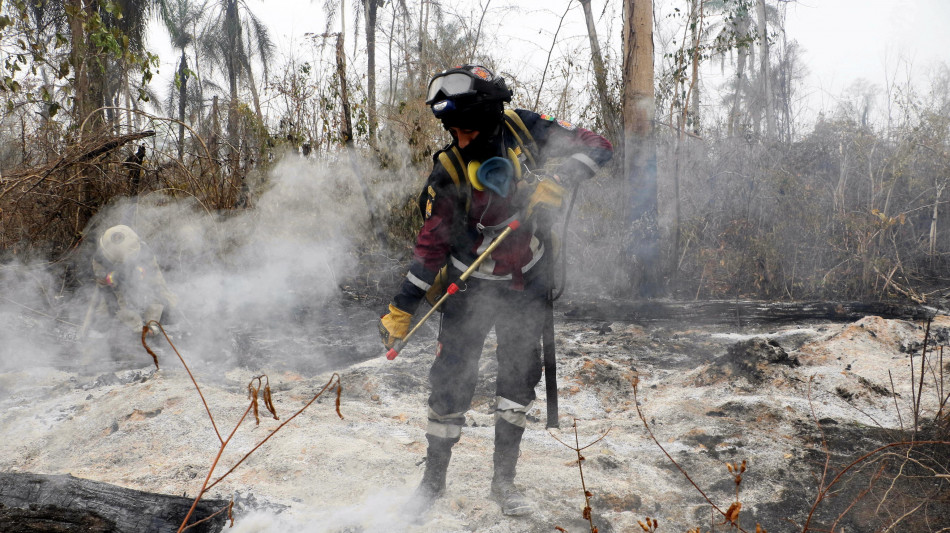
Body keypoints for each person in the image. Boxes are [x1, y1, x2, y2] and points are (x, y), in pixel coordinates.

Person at [378, 64, 613, 517]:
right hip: (467, 289)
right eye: (453, 130)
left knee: (515, 385)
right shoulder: (447, 171)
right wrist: (401, 308)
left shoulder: (525, 128)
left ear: (489, 117)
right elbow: (430, 248)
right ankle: (431, 485)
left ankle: (503, 485)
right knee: (449, 384)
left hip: (528, 285)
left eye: (468, 129)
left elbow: (599, 146)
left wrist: (560, 180)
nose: (461, 139)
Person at [90, 224, 178, 341]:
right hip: (114, 284)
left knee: (164, 302)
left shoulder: (145, 254)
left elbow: (156, 283)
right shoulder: (100, 259)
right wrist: (135, 325)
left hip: (140, 281)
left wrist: (153, 321)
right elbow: (105, 288)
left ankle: (155, 321)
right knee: (103, 320)